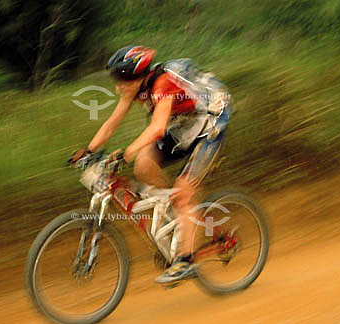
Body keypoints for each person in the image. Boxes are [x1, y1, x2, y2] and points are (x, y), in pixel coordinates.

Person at [71, 45, 231, 283]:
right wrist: (89, 150)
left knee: (183, 193)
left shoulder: (163, 84)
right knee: (143, 167)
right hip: (184, 125)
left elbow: (157, 128)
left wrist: (127, 152)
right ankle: (177, 216)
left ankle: (185, 260)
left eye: (121, 79)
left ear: (138, 76)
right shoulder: (134, 89)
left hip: (210, 122)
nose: (118, 86)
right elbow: (112, 122)